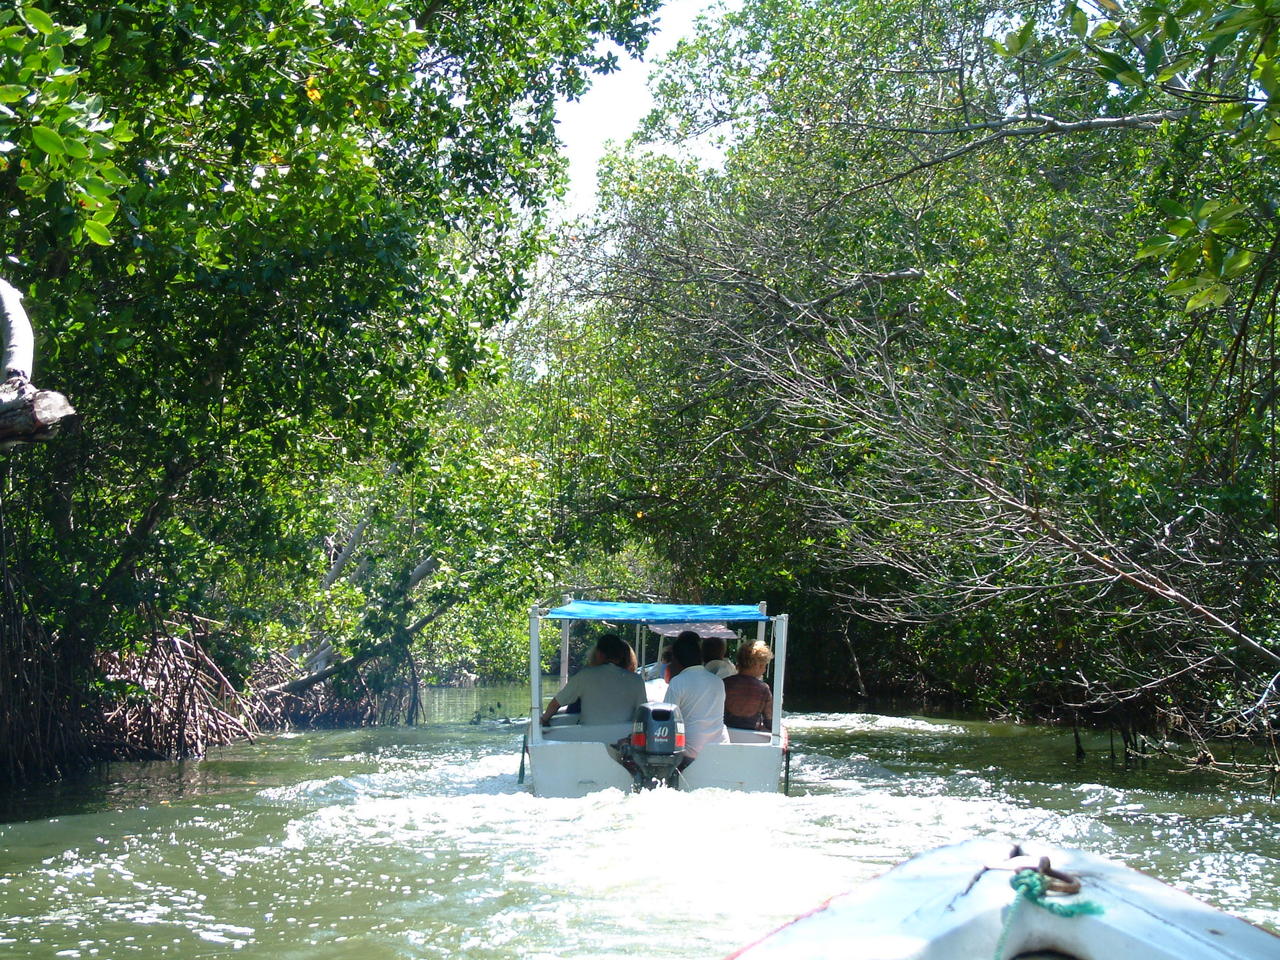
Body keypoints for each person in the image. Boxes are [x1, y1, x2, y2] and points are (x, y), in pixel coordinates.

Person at [540, 634, 646, 727]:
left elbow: (556, 703)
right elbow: (643, 714)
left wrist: (544, 719)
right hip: (623, 740)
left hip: (588, 740)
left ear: (599, 654)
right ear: (621, 655)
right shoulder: (637, 681)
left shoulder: (585, 675)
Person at [662, 630, 730, 758]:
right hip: (720, 748)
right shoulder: (717, 681)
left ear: (675, 660)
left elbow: (666, 720)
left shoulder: (677, 682)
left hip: (691, 751)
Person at [722, 640, 774, 731]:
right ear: (758, 665)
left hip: (726, 733)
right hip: (751, 735)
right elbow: (769, 720)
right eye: (764, 666)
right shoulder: (764, 689)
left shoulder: (724, 683)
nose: (764, 670)